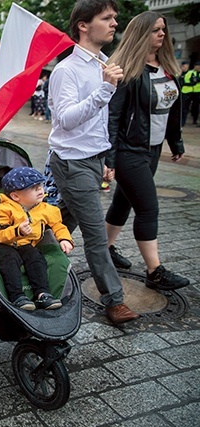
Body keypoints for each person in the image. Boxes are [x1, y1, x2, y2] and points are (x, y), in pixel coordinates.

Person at [47, 0, 139, 324]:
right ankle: (114, 301)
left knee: (60, 225)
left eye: (114, 17)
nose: (115, 22)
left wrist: (104, 157)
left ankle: (34, 260)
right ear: (83, 25)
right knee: (97, 235)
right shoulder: (66, 70)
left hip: (90, 160)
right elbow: (67, 120)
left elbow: (98, 123)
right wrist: (105, 89)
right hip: (72, 163)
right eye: (107, 18)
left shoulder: (102, 64)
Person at [104, 11, 189, 291]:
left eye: (163, 29)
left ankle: (105, 249)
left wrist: (175, 143)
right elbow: (113, 118)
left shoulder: (166, 68)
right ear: (141, 34)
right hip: (130, 150)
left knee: (123, 201)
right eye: (155, 30)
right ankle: (155, 271)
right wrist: (110, 159)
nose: (162, 34)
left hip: (151, 150)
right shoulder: (128, 71)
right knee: (148, 208)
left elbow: (173, 110)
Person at [0, 167, 74, 310]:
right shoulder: (3, 211)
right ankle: (17, 296)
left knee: (35, 255)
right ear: (15, 196)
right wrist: (16, 231)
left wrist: (64, 239)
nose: (40, 189)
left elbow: (58, 225)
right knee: (10, 257)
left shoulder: (45, 209)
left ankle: (43, 293)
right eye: (33, 187)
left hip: (25, 244)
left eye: (40, 185)